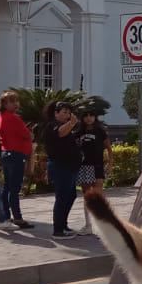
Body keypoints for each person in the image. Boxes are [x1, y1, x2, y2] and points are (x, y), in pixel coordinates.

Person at [42, 101, 81, 239]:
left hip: (70, 167)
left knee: (71, 196)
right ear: (56, 113)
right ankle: (58, 230)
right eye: (64, 112)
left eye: (69, 112)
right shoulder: (53, 125)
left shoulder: (66, 126)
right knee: (62, 197)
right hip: (60, 166)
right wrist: (71, 123)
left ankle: (63, 224)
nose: (67, 115)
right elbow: (60, 133)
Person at [0, 91, 34, 229]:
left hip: (6, 153)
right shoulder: (13, 118)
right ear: (4, 104)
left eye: (16, 101)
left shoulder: (1, 117)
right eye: (11, 101)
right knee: (14, 188)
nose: (16, 104)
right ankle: (17, 218)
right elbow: (27, 134)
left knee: (7, 187)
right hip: (16, 154)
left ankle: (5, 216)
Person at [74, 107, 112, 235]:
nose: (89, 118)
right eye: (86, 115)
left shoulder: (101, 131)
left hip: (97, 166)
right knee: (87, 196)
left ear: (95, 117)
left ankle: (103, 226)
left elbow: (108, 147)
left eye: (91, 115)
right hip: (84, 166)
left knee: (98, 196)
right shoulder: (78, 132)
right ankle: (88, 225)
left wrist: (110, 163)